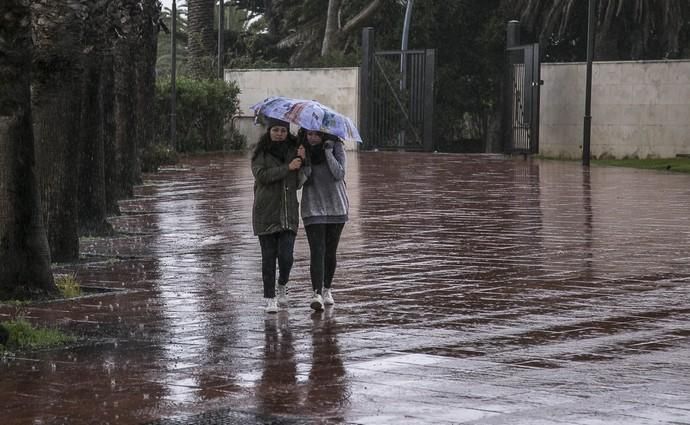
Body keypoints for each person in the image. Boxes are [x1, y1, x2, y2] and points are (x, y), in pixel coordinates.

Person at [251, 118, 306, 313]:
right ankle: (270, 297)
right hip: (265, 212)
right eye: (276, 130)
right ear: (269, 131)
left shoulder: (294, 150)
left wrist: (302, 160)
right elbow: (262, 176)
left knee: (286, 257)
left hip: (288, 212)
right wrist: (287, 168)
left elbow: (301, 179)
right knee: (268, 258)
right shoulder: (260, 152)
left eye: (283, 130)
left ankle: (282, 284)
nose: (279, 134)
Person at [299, 129, 349, 311]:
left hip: (337, 206)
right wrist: (304, 161)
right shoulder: (302, 149)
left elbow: (339, 174)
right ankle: (316, 293)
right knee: (317, 251)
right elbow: (299, 182)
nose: (312, 138)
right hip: (312, 207)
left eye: (317, 135)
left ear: (324, 135)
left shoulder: (336, 147)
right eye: (309, 134)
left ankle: (327, 289)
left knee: (330, 251)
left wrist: (328, 152)